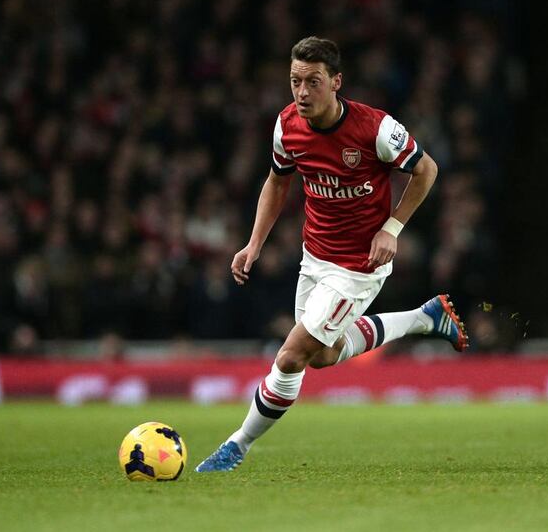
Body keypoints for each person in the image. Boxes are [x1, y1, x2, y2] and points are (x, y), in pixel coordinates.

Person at [196, 37, 468, 472]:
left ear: (336, 82)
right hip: (315, 257)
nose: (302, 93)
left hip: (358, 266)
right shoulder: (287, 126)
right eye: (295, 81)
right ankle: (424, 317)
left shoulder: (374, 128)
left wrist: (392, 228)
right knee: (321, 355)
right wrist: (254, 243)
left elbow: (426, 169)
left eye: (313, 82)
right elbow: (277, 181)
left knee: (289, 357)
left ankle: (235, 447)